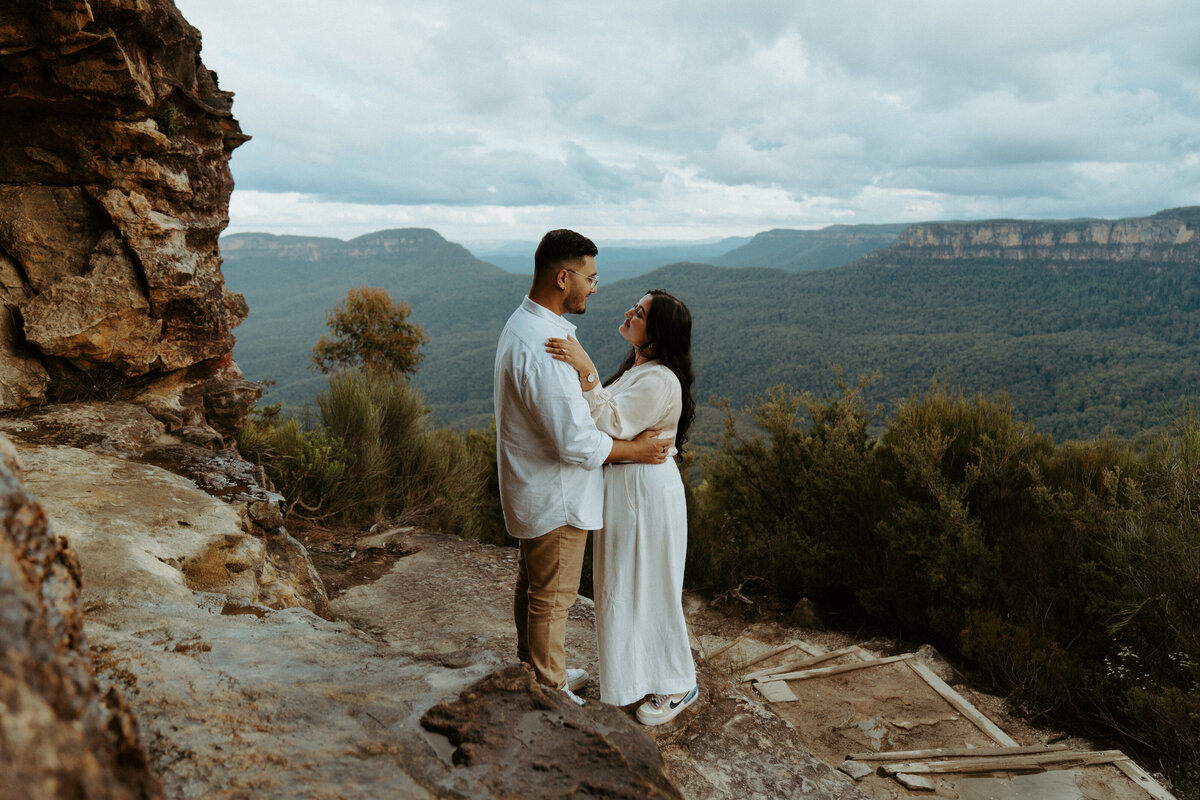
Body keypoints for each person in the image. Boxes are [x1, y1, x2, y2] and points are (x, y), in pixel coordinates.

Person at [493, 229, 671, 706]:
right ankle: (549, 691)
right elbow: (574, 441)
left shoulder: (524, 325)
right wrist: (635, 451)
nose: (595, 287)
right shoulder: (546, 346)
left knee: (533, 585)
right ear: (563, 277)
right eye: (589, 278)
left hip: (533, 485)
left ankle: (533, 670)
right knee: (552, 598)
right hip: (557, 493)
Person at [546, 289, 699, 726]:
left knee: (651, 586)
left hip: (647, 497)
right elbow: (609, 422)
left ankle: (678, 680)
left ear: (658, 333)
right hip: (628, 493)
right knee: (621, 588)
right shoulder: (640, 369)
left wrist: (586, 369)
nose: (631, 312)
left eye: (642, 312)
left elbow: (608, 421)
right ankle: (631, 679)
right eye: (636, 305)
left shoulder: (660, 380)